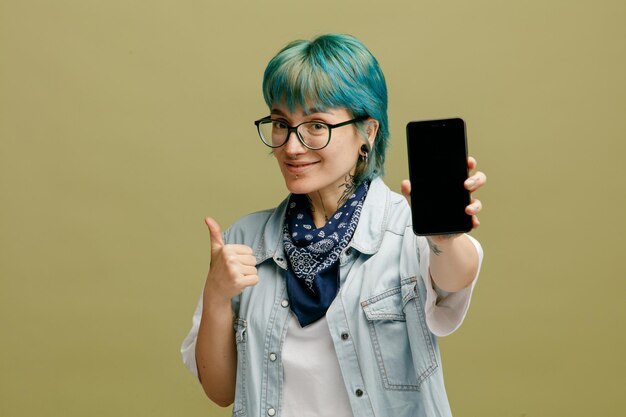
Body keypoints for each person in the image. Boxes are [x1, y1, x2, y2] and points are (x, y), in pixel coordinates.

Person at [181, 33, 486, 417]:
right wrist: (217, 295)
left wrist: (443, 237)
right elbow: (221, 390)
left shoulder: (406, 227)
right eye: (280, 122)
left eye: (316, 125)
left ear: (368, 133)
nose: (291, 147)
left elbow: (455, 276)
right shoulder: (245, 240)